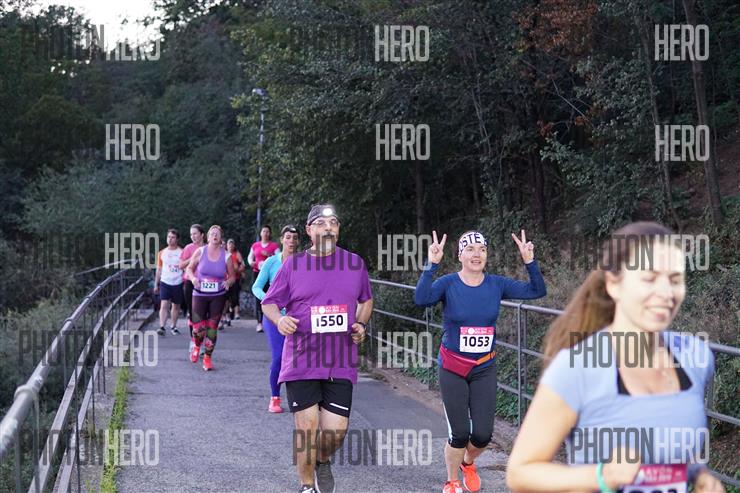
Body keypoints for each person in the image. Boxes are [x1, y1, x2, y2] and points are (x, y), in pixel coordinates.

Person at [506, 222, 724, 493]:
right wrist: (600, 476)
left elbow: (675, 448)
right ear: (614, 284)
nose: (666, 293)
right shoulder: (577, 367)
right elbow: (520, 472)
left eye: (675, 279)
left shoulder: (696, 356)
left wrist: (700, 476)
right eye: (649, 278)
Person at [415, 229, 546, 493]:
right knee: (459, 433)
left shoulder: (496, 284)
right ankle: (451, 481)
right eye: (470, 249)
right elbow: (421, 299)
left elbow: (537, 291)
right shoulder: (448, 284)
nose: (477, 254)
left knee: (483, 435)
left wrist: (529, 261)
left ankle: (467, 462)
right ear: (460, 255)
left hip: (484, 367)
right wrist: (432, 264)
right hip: (452, 367)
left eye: (482, 249)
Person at [261, 204, 373, 493]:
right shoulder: (293, 265)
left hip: (340, 360)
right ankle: (307, 485)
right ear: (309, 230)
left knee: (335, 432)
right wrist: (280, 319)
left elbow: (366, 300)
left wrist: (361, 324)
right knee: (307, 429)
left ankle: (322, 460)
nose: (328, 227)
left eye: (333, 222)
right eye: (321, 223)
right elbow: (269, 302)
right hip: (302, 360)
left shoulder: (354, 264)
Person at [252, 224, 300, 413]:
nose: (291, 241)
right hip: (275, 317)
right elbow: (256, 287)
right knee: (279, 356)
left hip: (297, 318)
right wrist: (269, 301)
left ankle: (300, 399)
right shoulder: (272, 262)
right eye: (288, 237)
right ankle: (275, 397)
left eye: (295, 238)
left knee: (298, 359)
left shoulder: (304, 263)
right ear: (281, 240)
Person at [185, 225, 236, 371]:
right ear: (207, 237)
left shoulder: (226, 256)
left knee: (212, 328)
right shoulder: (200, 251)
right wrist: (193, 278)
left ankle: (207, 358)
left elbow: (232, 277)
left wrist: (228, 282)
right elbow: (189, 268)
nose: (215, 236)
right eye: (212, 234)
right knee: (198, 328)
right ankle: (196, 345)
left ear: (221, 238)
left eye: (217, 234)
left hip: (217, 295)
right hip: (199, 293)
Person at [248, 226, 279, 332]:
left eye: (267, 231)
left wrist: (269, 255)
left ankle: (272, 319)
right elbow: (250, 257)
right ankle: (259, 322)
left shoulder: (274, 246)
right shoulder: (255, 245)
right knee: (259, 297)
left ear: (270, 234)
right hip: (258, 273)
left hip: (270, 275)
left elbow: (279, 258)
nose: (265, 233)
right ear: (260, 233)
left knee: (270, 295)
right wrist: (251, 262)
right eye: (264, 231)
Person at [180, 224, 205, 353]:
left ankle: (203, 341)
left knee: (204, 315)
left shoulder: (209, 248)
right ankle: (194, 341)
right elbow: (180, 265)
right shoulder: (189, 248)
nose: (193, 236)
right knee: (193, 313)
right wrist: (193, 258)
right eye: (191, 234)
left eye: (195, 233)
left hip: (205, 284)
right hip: (190, 282)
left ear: (202, 235)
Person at [154, 229, 184, 336]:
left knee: (176, 306)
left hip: (178, 282)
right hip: (165, 281)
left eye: (173, 237)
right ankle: (162, 327)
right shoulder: (162, 253)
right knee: (164, 304)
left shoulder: (182, 252)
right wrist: (156, 284)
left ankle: (173, 326)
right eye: (169, 237)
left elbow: (186, 267)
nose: (170, 239)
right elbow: (159, 269)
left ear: (177, 239)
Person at [223, 239, 246, 328]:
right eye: (229, 244)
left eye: (232, 244)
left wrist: (237, 270)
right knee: (225, 299)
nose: (230, 246)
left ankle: (233, 313)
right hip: (224, 280)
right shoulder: (223, 254)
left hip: (235, 279)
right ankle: (226, 316)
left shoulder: (237, 254)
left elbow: (242, 265)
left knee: (234, 297)